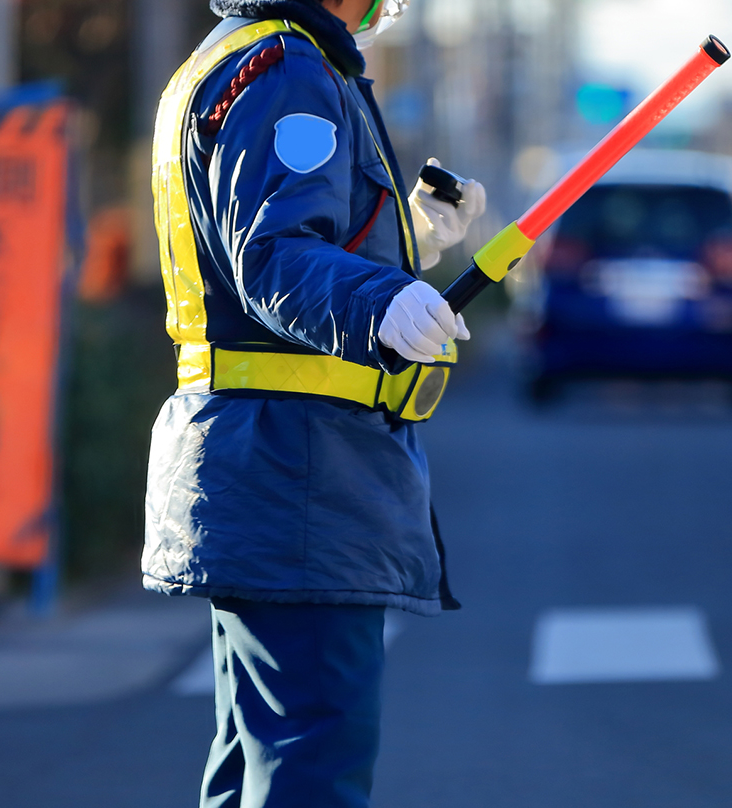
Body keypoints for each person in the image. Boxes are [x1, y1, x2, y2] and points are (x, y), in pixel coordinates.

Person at [142, 0, 486, 805]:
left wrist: (411, 237)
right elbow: (272, 254)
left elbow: (273, 239)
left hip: (267, 466)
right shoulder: (289, 71)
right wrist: (381, 303)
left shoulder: (237, 57)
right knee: (307, 764)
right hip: (298, 472)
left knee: (258, 761)